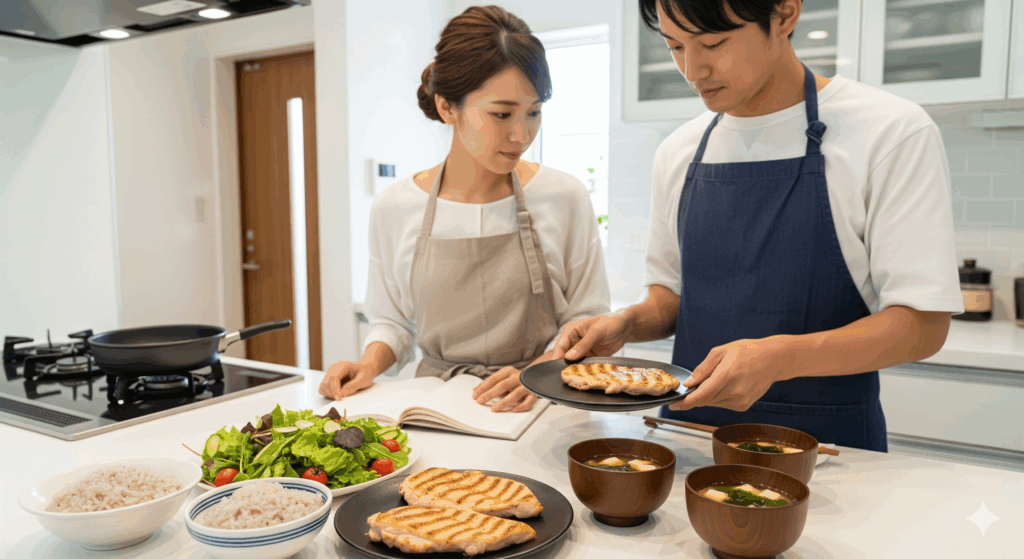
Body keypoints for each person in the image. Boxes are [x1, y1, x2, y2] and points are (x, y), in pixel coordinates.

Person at [553, 0, 963, 451]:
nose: (692, 70)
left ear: (784, 15)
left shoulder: (891, 132)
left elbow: (923, 325)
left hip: (827, 450)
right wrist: (627, 322)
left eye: (714, 43)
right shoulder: (679, 150)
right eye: (675, 46)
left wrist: (780, 358)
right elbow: (671, 298)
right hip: (690, 438)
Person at [320, 6, 610, 413]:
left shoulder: (564, 196)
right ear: (447, 108)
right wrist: (368, 365)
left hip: (541, 404)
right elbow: (393, 323)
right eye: (501, 114)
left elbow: (589, 320)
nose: (521, 134)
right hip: (436, 410)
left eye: (534, 112)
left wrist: (540, 370)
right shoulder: (395, 207)